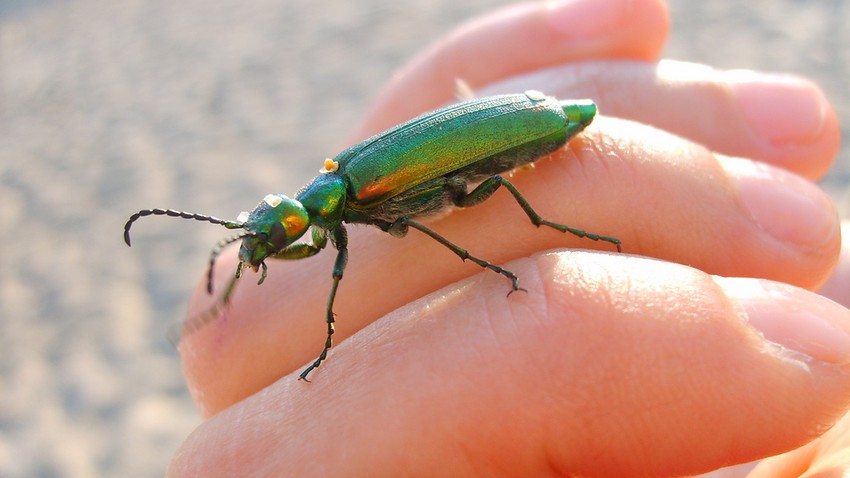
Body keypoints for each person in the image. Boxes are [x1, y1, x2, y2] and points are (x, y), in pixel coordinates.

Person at [167, 0, 849, 475]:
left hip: (526, 129)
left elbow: (406, 229)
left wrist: (485, 256)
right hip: (506, 123)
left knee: (451, 211)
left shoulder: (353, 198)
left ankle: (546, 225)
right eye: (268, 238)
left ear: (301, 218)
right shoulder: (340, 184)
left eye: (272, 234)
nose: (269, 244)